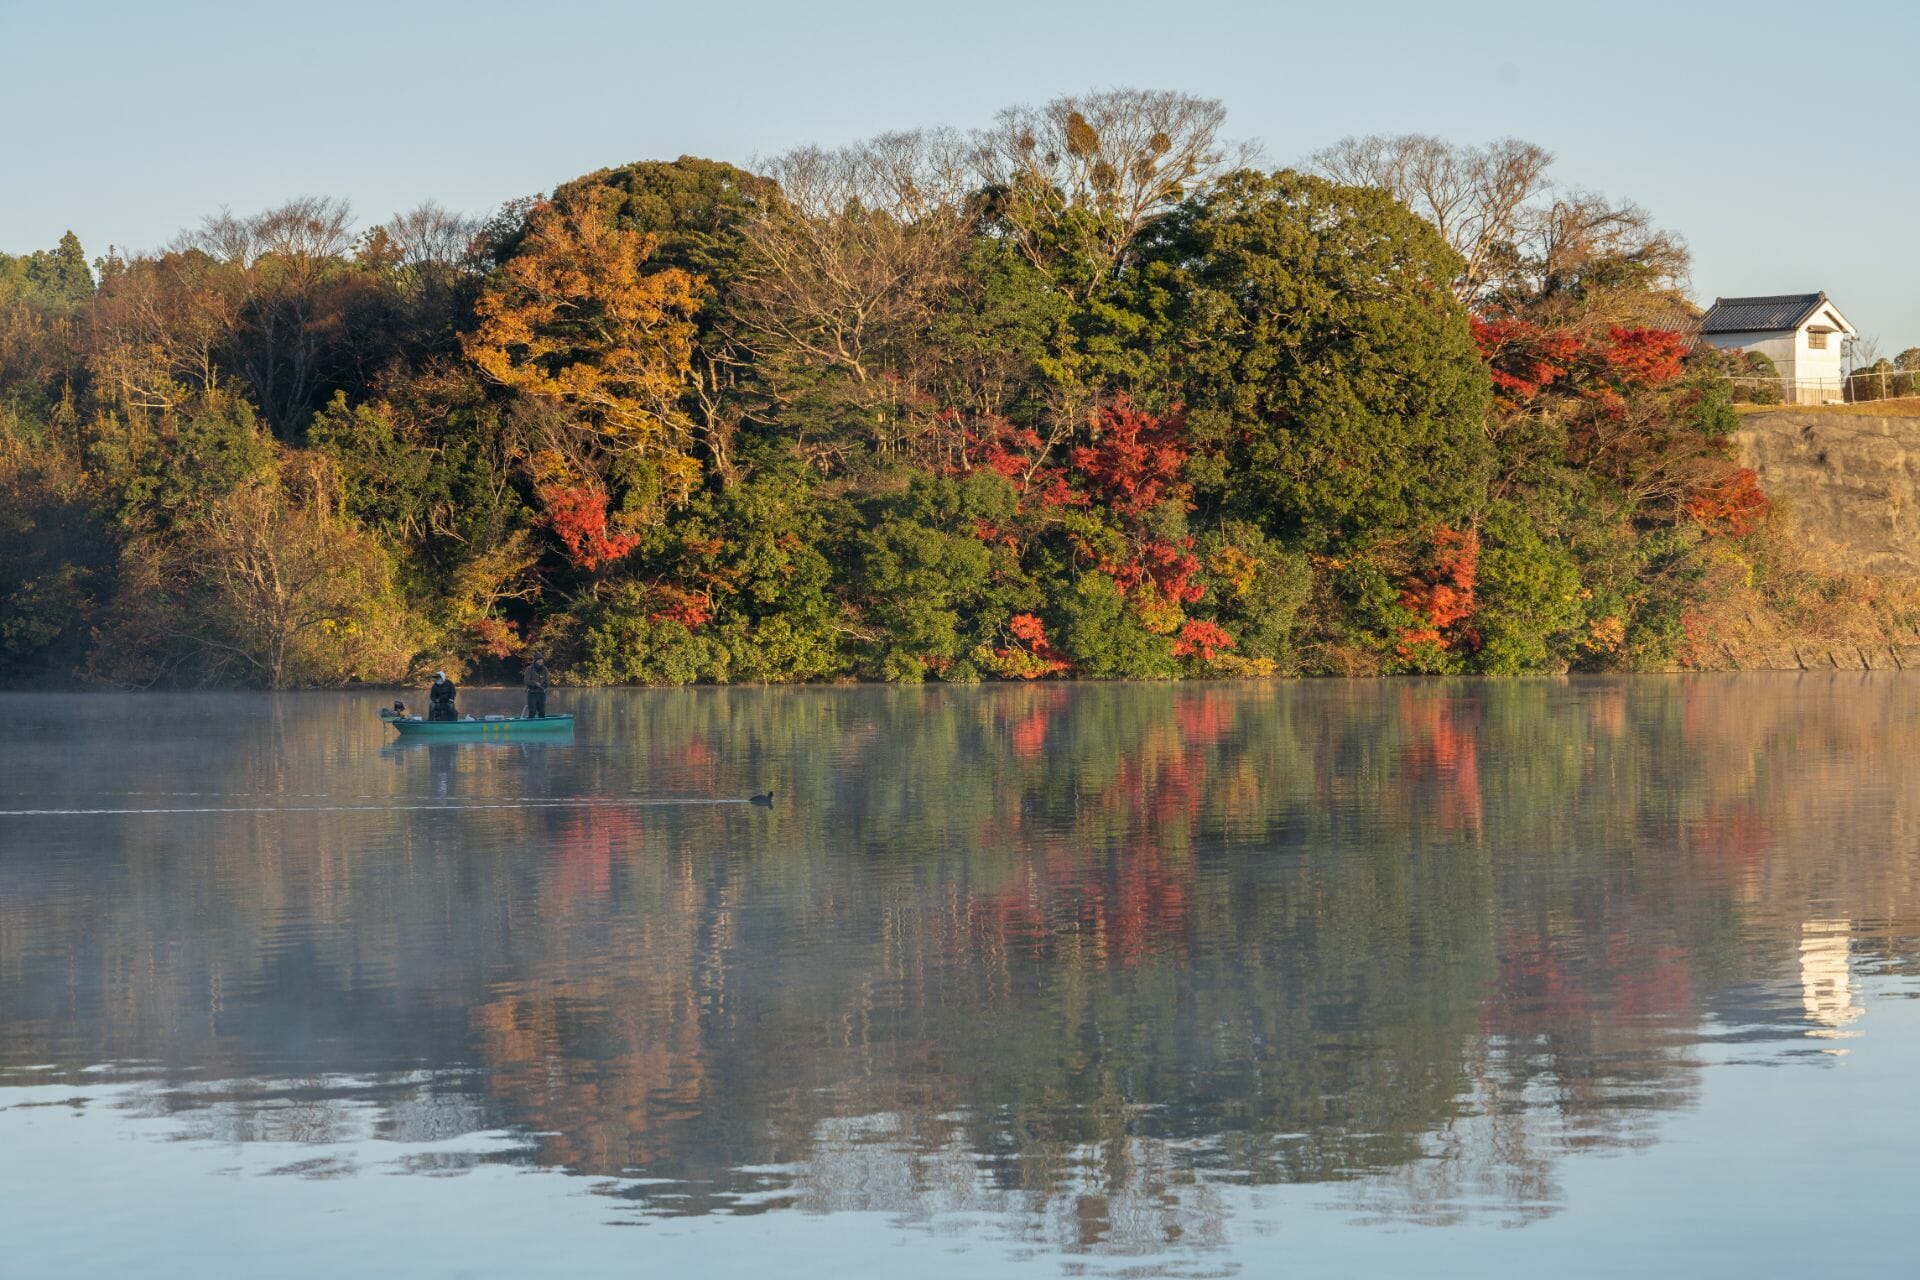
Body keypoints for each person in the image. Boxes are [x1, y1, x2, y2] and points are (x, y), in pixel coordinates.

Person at [523, 653, 550, 719]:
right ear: (535, 661)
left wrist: (544, 686)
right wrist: (535, 683)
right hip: (532, 694)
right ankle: (531, 726)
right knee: (532, 711)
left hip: (541, 694)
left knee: (542, 712)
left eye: (542, 660)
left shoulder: (545, 669)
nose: (541, 661)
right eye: (539, 660)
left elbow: (547, 681)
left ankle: (542, 726)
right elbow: (526, 681)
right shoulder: (529, 669)